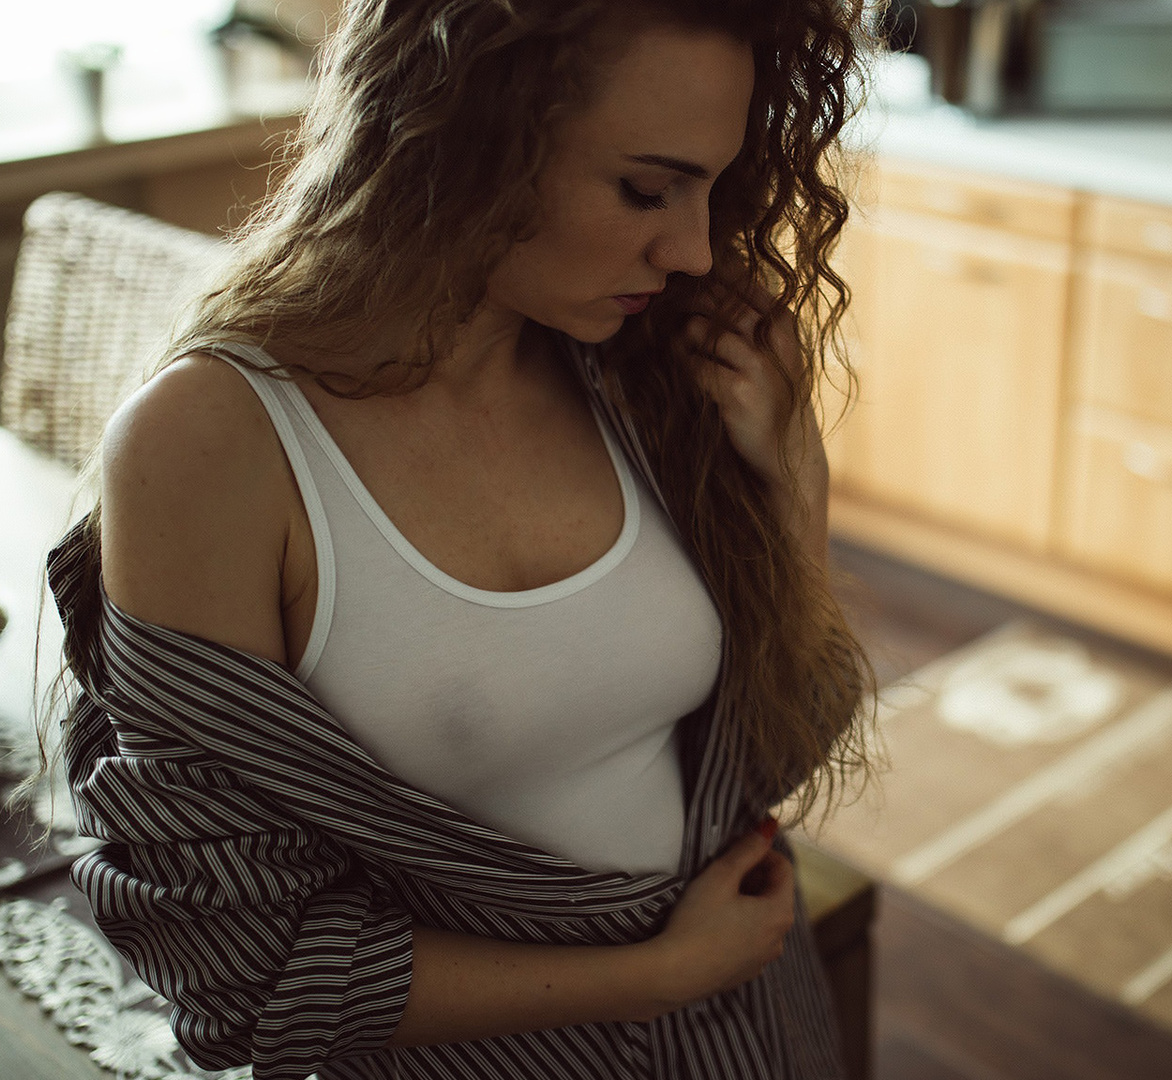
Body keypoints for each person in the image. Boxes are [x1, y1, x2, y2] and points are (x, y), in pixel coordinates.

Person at [46, 1, 878, 1077]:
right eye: (645, 187)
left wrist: (793, 483)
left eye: (711, 188)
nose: (694, 249)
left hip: (749, 1029)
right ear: (463, 133)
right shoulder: (216, 443)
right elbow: (237, 967)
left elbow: (768, 755)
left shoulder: (645, 365)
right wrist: (653, 973)